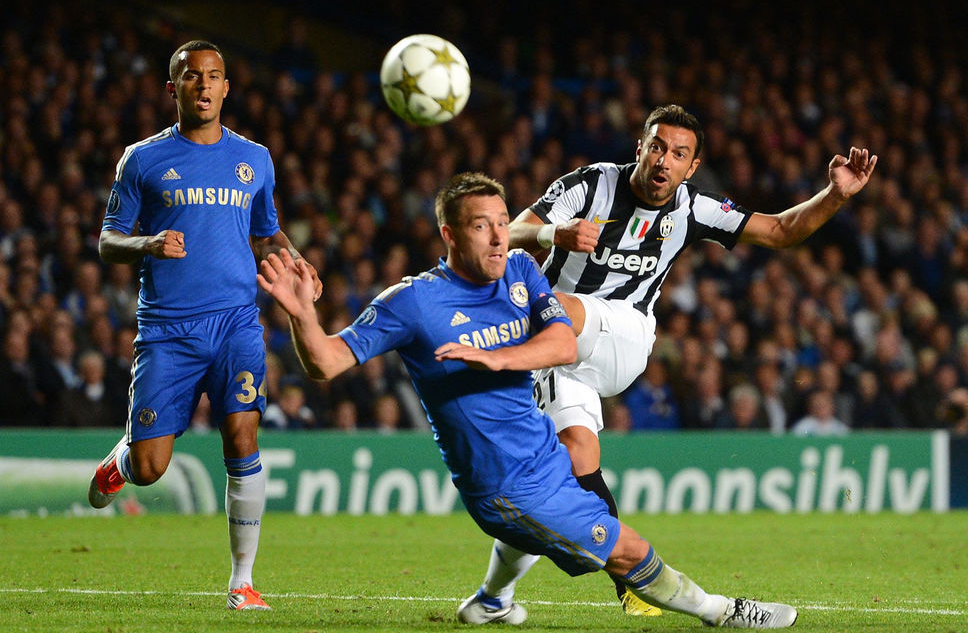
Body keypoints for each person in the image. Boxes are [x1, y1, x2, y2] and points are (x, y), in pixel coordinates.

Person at [258, 172, 798, 629]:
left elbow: (563, 343)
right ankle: (724, 612)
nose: (498, 238)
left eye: (501, 223)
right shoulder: (414, 303)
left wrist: (498, 358)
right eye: (480, 227)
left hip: (546, 457)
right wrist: (303, 315)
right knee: (629, 551)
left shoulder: (518, 270)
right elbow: (325, 363)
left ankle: (491, 602)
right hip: (505, 489)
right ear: (448, 233)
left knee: (582, 474)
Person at [471, 104, 877, 616]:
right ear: (640, 148)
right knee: (570, 475)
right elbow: (513, 235)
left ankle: (664, 593)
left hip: (622, 336)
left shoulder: (693, 207)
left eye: (679, 154)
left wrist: (836, 196)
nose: (665, 160)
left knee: (551, 307)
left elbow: (779, 231)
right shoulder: (591, 185)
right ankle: (492, 599)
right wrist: (557, 233)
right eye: (658, 147)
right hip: (559, 356)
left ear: (692, 166)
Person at [86, 40, 319, 612]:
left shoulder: (255, 158)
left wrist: (294, 258)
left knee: (242, 434)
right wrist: (147, 242)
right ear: (174, 89)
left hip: (237, 322)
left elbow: (266, 229)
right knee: (151, 467)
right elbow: (107, 240)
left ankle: (242, 581)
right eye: (192, 78)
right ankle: (122, 461)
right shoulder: (142, 159)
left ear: (227, 87)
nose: (204, 86)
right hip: (167, 329)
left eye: (214, 76)